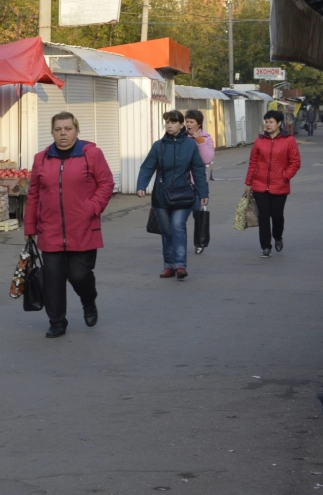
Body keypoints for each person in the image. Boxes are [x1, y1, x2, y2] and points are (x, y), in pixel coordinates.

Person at [25, 112, 115, 338]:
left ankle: (88, 300)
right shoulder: (41, 158)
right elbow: (34, 193)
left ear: (76, 130)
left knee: (79, 275)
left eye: (68, 128)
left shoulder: (91, 154)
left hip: (83, 228)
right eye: (58, 129)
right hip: (50, 229)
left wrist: (92, 208)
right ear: (52, 131)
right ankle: (57, 321)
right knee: (52, 279)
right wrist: (30, 227)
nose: (63, 133)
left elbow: (106, 183)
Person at [136, 110, 209, 280]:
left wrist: (203, 192)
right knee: (167, 231)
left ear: (181, 125)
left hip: (184, 195)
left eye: (173, 122)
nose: (169, 125)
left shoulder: (190, 145)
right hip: (162, 196)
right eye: (167, 122)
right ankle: (168, 265)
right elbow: (147, 167)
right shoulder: (158, 145)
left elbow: (198, 169)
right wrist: (141, 186)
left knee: (177, 226)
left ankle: (181, 265)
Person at [245, 110, 302, 258]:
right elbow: (253, 162)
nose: (268, 125)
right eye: (266, 122)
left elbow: (295, 162)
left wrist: (285, 176)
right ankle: (265, 246)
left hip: (280, 184)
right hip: (260, 184)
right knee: (263, 216)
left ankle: (278, 236)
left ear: (279, 123)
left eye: (271, 122)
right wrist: (249, 182)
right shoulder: (260, 140)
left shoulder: (289, 140)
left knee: (277, 216)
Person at [184, 110, 215, 181]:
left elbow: (207, 160)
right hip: (183, 181)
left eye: (191, 122)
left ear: (199, 124)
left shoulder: (206, 138)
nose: (188, 124)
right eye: (187, 122)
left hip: (199, 180)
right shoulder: (182, 137)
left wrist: (200, 141)